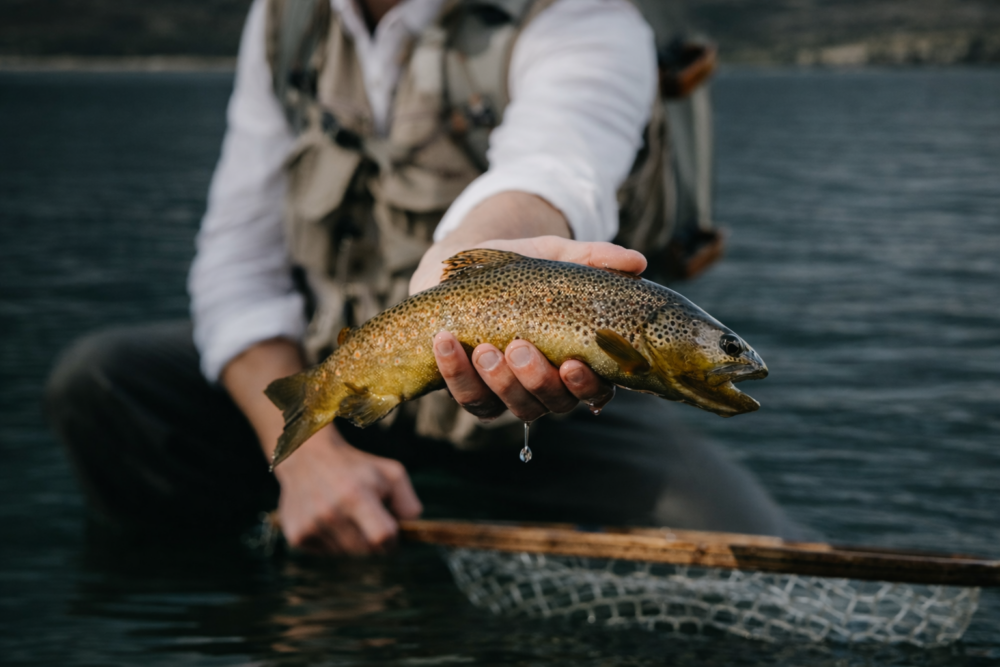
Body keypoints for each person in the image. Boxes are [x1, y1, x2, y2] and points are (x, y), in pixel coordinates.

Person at [46, 0, 802, 555]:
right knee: (103, 382)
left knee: (760, 560)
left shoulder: (586, 14)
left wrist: (470, 253)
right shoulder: (285, 21)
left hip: (556, 412)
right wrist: (312, 458)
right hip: (349, 372)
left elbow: (555, 163)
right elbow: (234, 268)